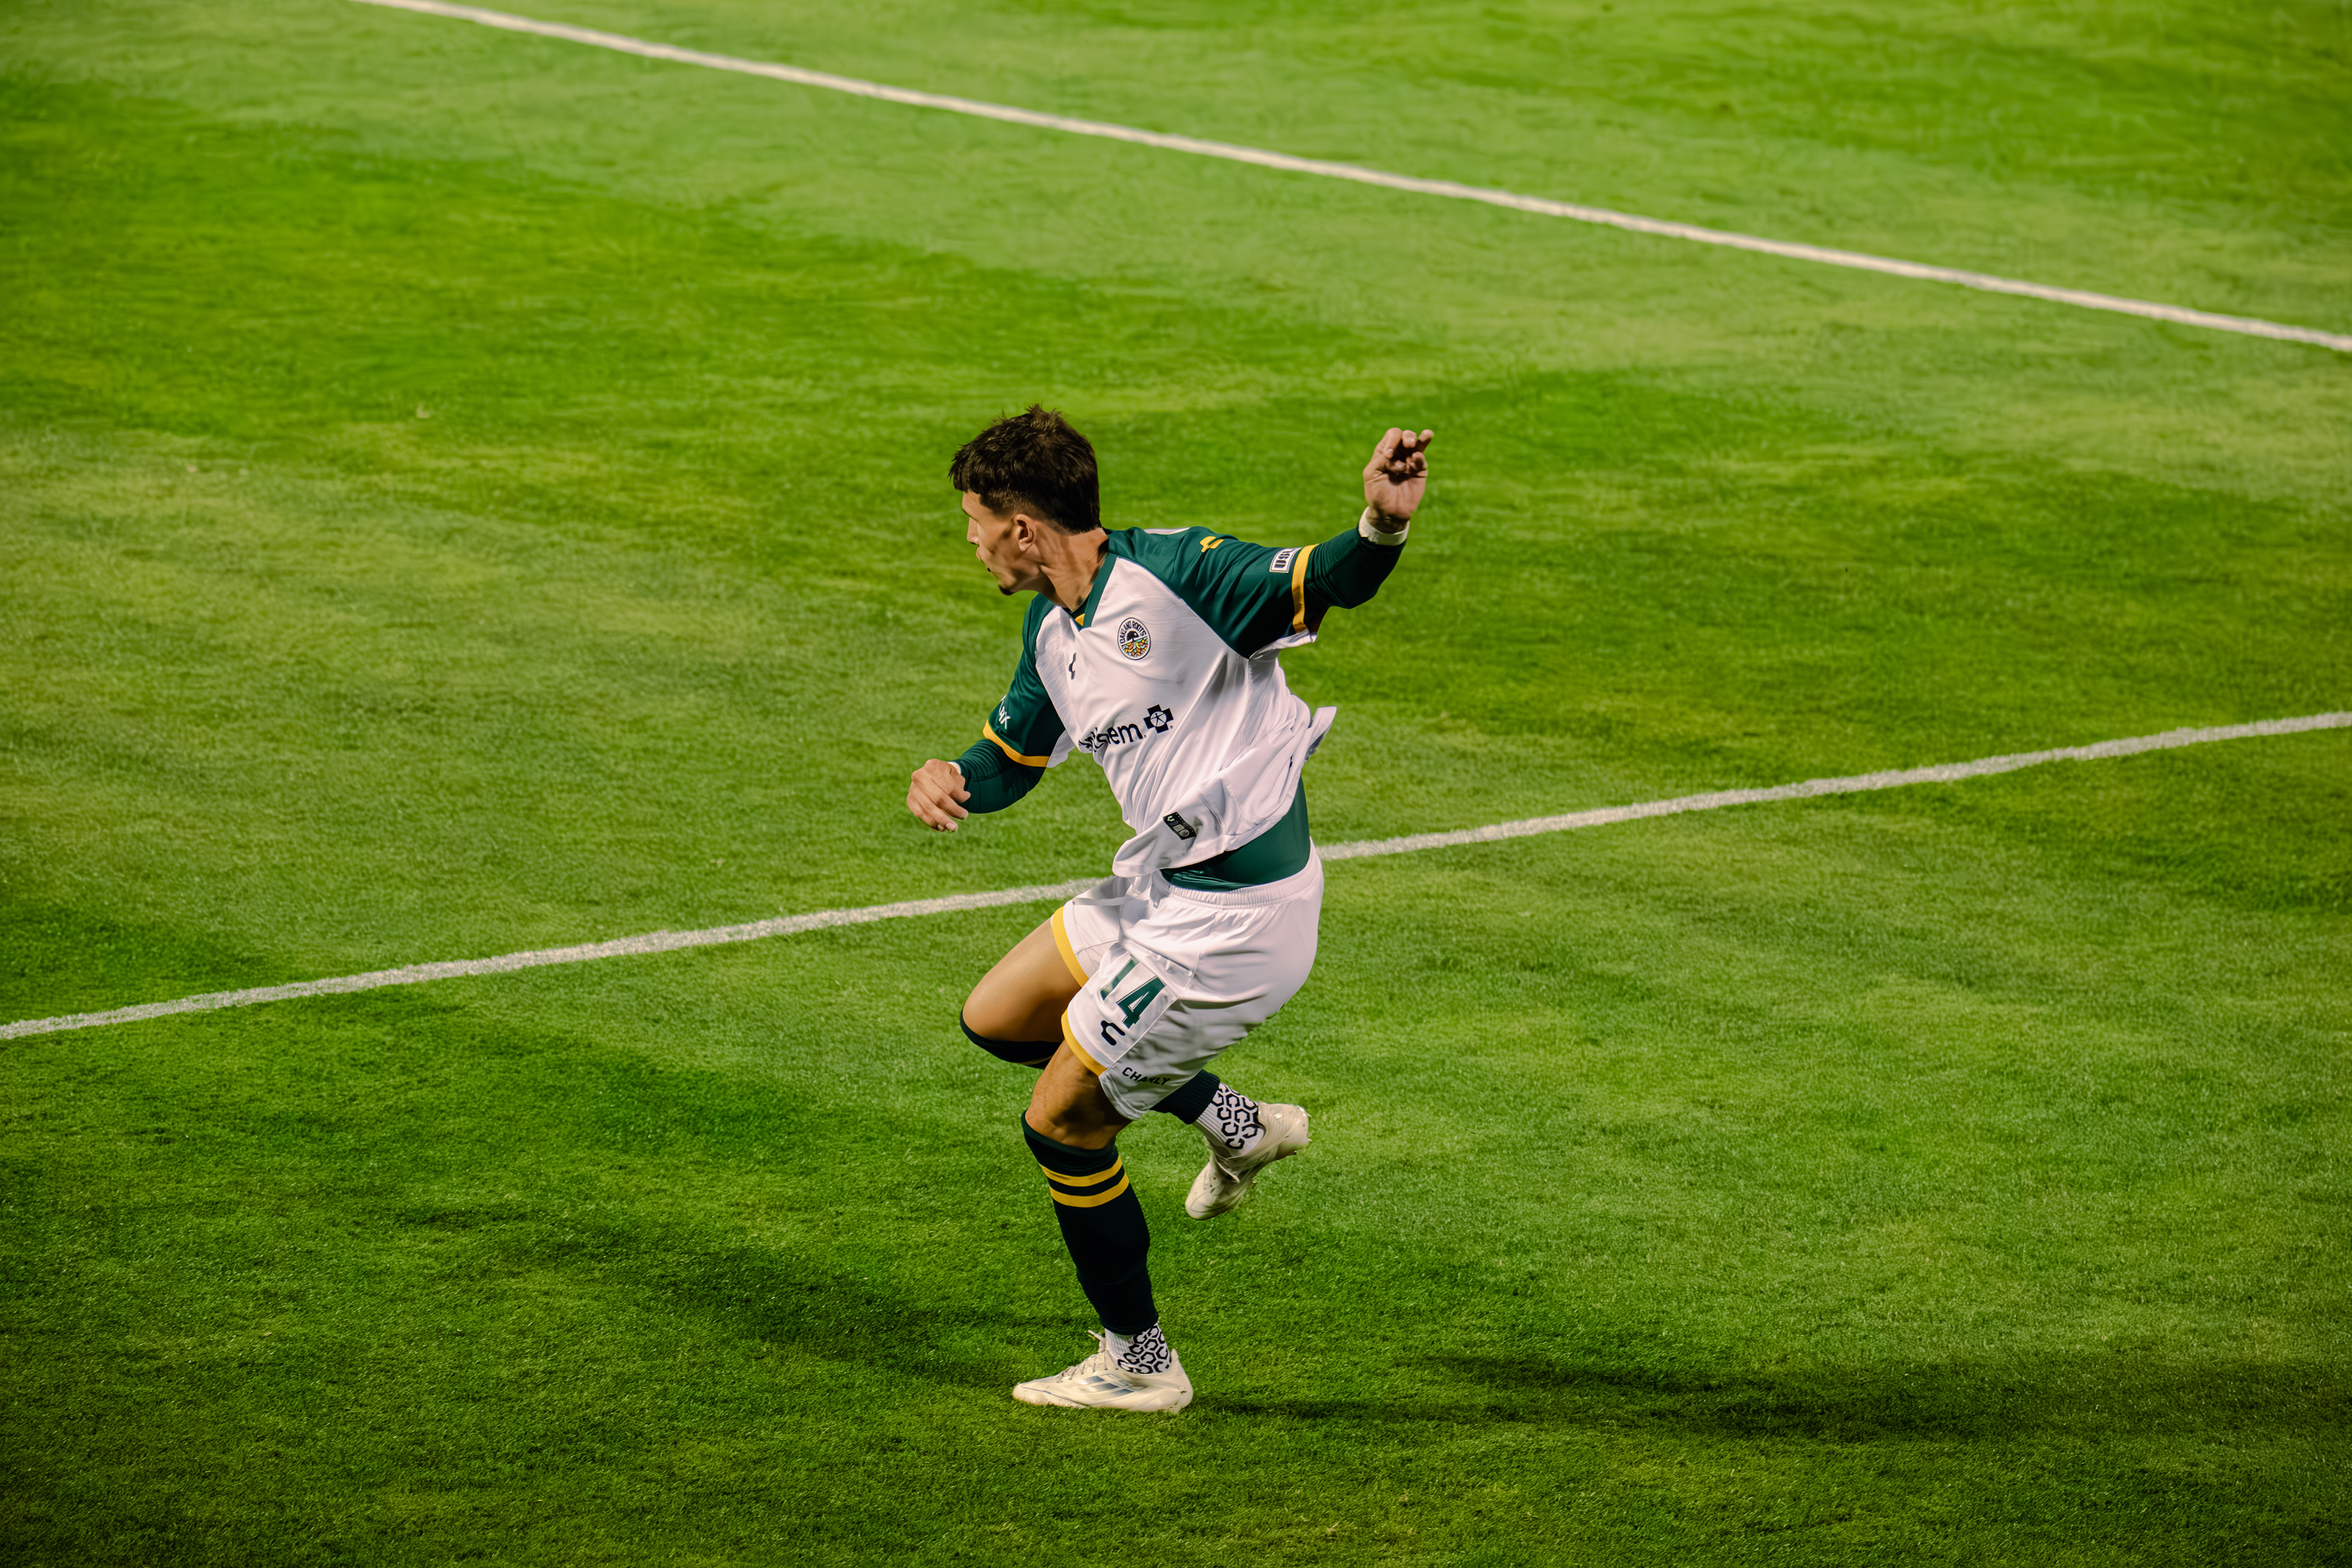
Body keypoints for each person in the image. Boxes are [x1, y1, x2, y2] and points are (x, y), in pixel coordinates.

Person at [906, 405, 1431, 1411]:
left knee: (1063, 1125)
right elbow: (1015, 755)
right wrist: (957, 776)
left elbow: (1325, 580)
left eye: (976, 521)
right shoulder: (1052, 627)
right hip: (1161, 889)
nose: (970, 540)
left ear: (1024, 528)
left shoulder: (1179, 576)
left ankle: (1140, 1363)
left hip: (1235, 922)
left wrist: (1381, 524)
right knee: (1000, 1017)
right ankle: (1238, 1124)